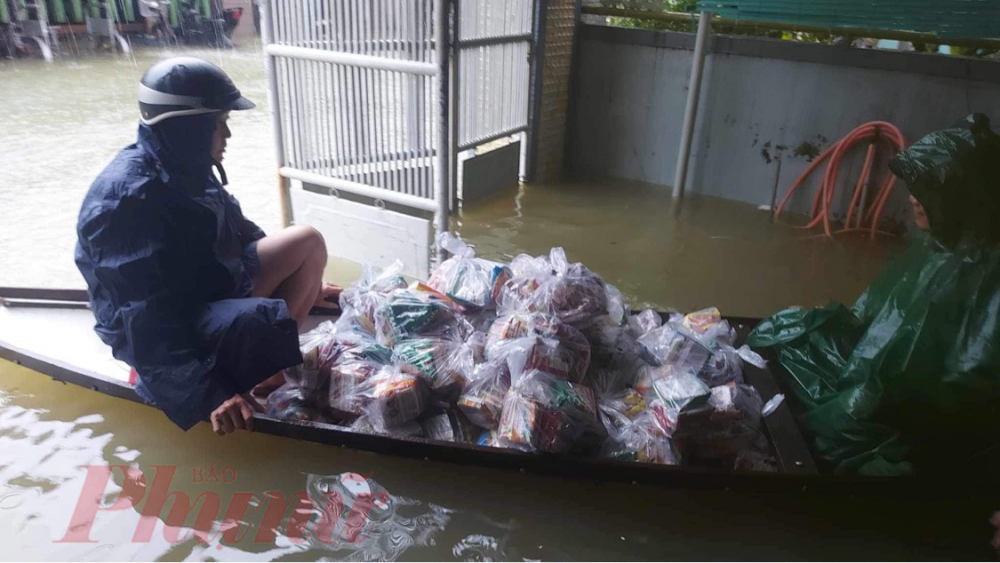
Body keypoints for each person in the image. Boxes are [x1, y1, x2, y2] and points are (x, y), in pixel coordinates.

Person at [75, 57, 338, 437]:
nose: (227, 135)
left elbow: (240, 231)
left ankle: (267, 370)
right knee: (260, 318)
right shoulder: (126, 201)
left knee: (306, 242)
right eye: (220, 124)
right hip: (161, 318)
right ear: (189, 127)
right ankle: (212, 380)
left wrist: (309, 285)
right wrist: (210, 393)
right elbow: (143, 314)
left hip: (204, 280)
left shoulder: (185, 165)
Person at [748, 114, 1000, 476]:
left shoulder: (982, 274)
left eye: (927, 190)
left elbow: (947, 386)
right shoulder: (936, 247)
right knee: (781, 330)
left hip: (911, 422)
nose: (912, 199)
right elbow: (874, 320)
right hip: (880, 385)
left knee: (835, 432)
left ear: (962, 198)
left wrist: (868, 391)